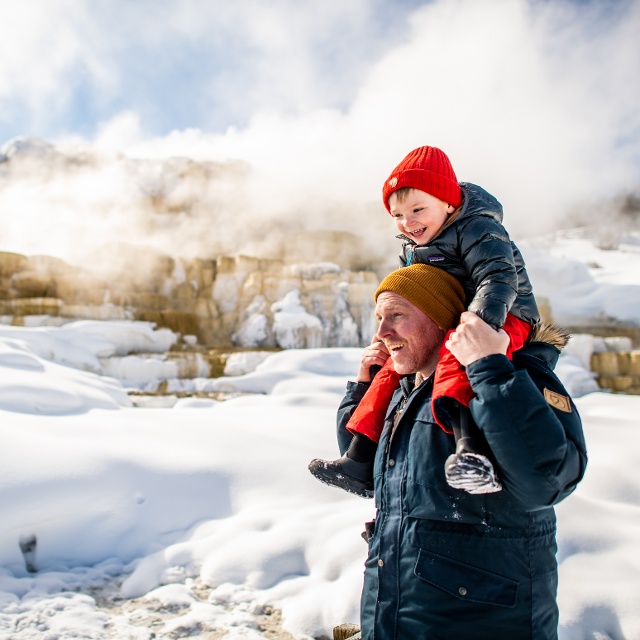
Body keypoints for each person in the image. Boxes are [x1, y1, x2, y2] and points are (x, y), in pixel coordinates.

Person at [330, 263, 587, 639]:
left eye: (396, 316)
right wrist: (362, 389)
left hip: (480, 622)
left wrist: (489, 368)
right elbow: (368, 475)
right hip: (396, 614)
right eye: (379, 319)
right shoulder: (405, 392)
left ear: (441, 319)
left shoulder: (513, 375)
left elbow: (546, 481)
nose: (382, 333)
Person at [309, 146, 539, 496]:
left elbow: (498, 279)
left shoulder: (477, 228)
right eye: (398, 214)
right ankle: (359, 458)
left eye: (418, 209)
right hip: (456, 317)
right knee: (391, 371)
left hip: (505, 315)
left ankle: (470, 451)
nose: (408, 222)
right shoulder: (415, 247)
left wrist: (478, 325)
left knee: (454, 359)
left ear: (448, 203)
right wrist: (391, 332)